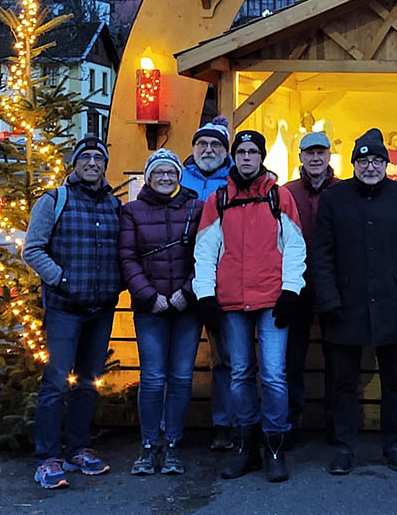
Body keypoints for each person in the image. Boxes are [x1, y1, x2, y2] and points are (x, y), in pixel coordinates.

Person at [307, 128, 397, 475]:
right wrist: (328, 298)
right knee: (343, 383)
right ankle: (345, 447)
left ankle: (393, 446)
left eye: (376, 160)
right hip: (346, 305)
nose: (370, 166)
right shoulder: (335, 199)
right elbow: (322, 254)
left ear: (386, 163)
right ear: (353, 164)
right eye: (363, 161)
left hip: (393, 304)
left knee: (395, 381)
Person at [193, 130, 306, 483]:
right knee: (240, 373)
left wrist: (291, 291)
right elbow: (205, 250)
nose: (246, 158)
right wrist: (205, 295)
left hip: (272, 299)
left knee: (273, 375)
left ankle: (274, 446)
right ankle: (247, 446)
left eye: (252, 152)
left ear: (260, 157)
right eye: (240, 152)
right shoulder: (219, 199)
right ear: (234, 157)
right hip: (231, 302)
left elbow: (295, 247)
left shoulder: (279, 196)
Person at [22, 135, 122, 489]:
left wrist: (118, 284)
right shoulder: (54, 200)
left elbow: (123, 251)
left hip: (101, 308)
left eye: (99, 158)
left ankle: (77, 449)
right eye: (86, 158)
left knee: (87, 383)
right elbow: (32, 249)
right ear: (75, 164)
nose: (93, 163)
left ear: (105, 165)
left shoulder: (114, 205)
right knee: (54, 383)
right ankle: (47, 458)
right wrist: (60, 278)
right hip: (65, 309)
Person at [118, 148, 204, 476]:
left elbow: (205, 254)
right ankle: (149, 444)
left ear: (179, 177)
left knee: (181, 377)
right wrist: (148, 295)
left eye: (171, 172)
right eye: (159, 173)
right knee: (153, 377)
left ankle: (172, 445)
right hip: (149, 307)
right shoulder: (132, 211)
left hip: (187, 306)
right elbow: (127, 257)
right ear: (149, 177)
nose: (166, 178)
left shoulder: (196, 208)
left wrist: (187, 292)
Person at [180, 115, 237, 451]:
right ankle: (172, 431)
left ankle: (224, 425)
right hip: (181, 284)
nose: (208, 149)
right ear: (193, 148)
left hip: (222, 284)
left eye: (216, 145)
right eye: (202, 143)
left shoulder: (234, 181)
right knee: (180, 363)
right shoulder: (176, 177)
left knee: (225, 361)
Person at [281, 132, 341, 443]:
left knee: (337, 358)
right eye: (309, 153)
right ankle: (292, 422)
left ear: (329, 155)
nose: (315, 158)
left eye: (321, 152)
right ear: (300, 156)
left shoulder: (344, 191)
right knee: (293, 359)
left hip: (334, 287)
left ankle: (336, 424)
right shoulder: (286, 193)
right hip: (296, 287)